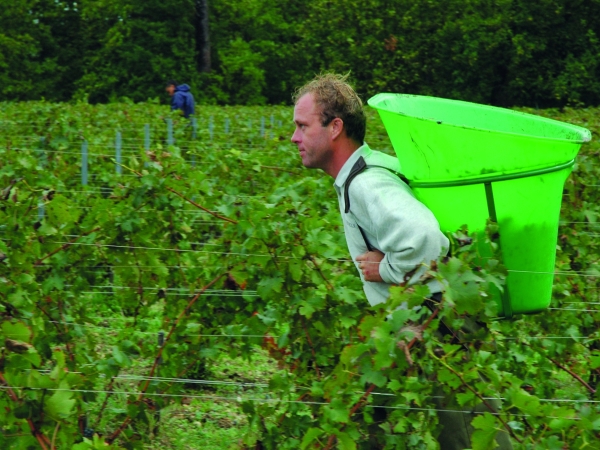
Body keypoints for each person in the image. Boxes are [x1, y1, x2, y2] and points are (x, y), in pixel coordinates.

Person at [290, 73, 512, 450]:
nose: (294, 138)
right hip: (425, 321)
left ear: (335, 128)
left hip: (438, 325)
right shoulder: (365, 172)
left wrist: (386, 269)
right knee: (383, 424)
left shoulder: (366, 185)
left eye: (302, 126)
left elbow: (426, 239)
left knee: (471, 440)